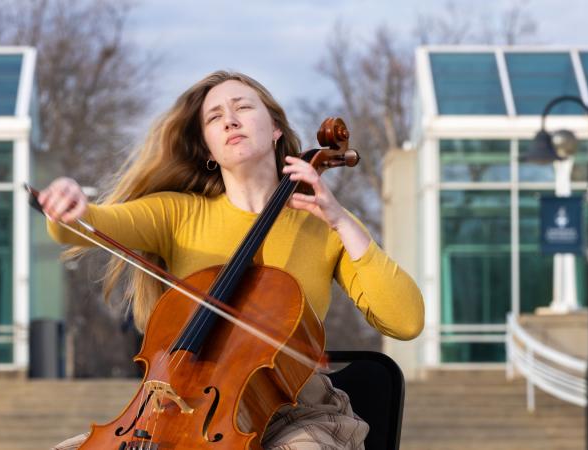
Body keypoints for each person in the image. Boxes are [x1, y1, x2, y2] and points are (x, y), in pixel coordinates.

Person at [40, 71, 424, 450]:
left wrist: (342, 221)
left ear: (275, 128)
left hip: (297, 413)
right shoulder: (178, 215)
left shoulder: (323, 222)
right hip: (178, 409)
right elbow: (84, 226)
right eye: (214, 117)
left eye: (242, 107)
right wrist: (71, 207)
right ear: (208, 148)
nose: (230, 120)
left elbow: (405, 320)